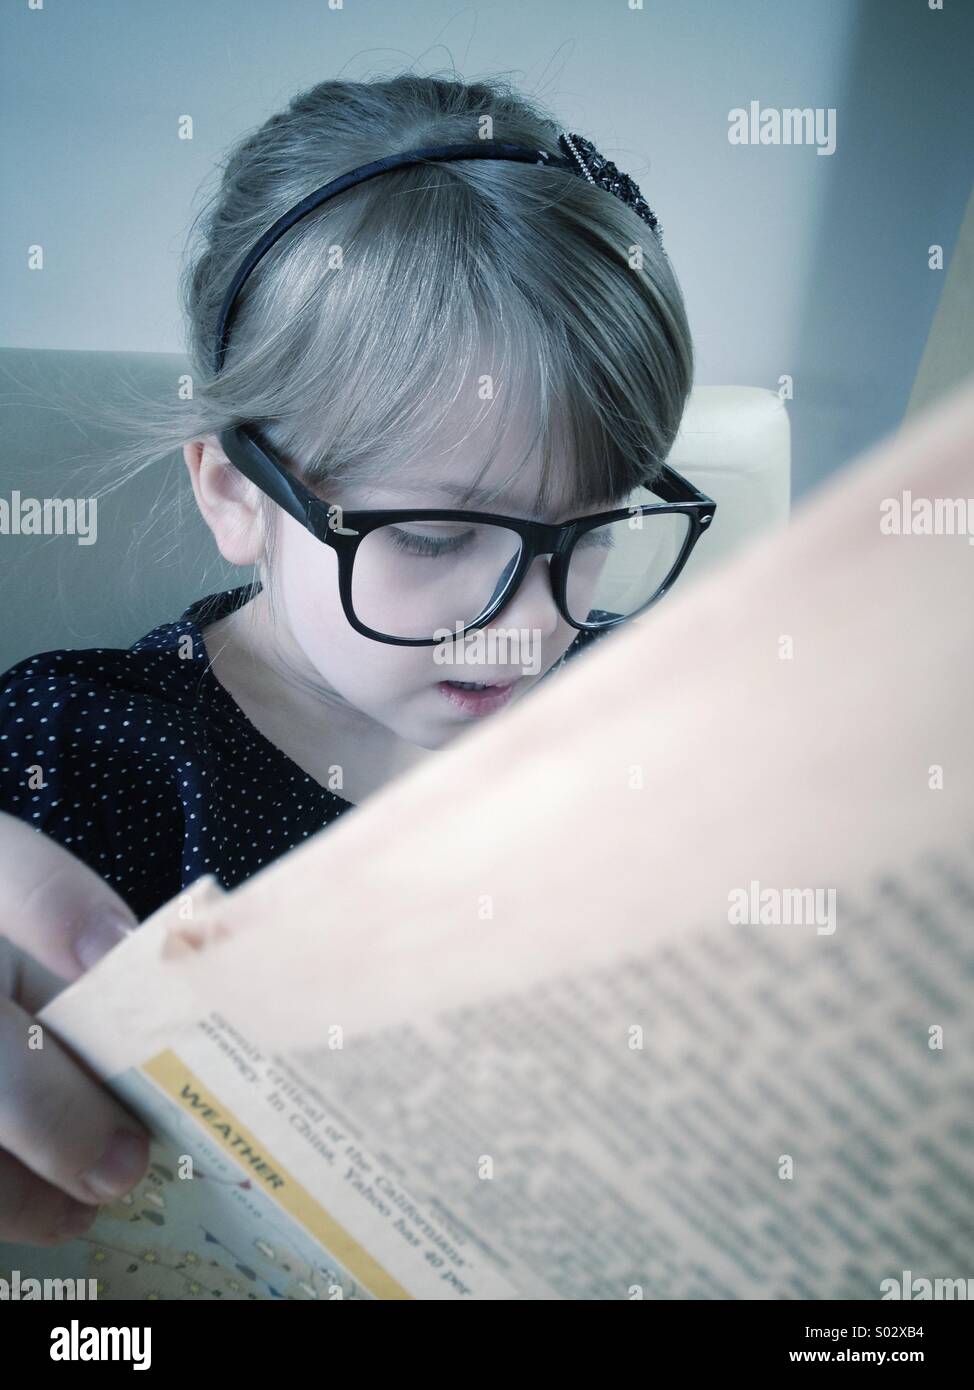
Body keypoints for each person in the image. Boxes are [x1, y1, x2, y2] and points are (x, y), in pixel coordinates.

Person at [0, 73, 701, 1245]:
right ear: (233, 494)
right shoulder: (76, 755)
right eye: (431, 536)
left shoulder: (651, 706)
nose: (532, 628)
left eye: (594, 531)